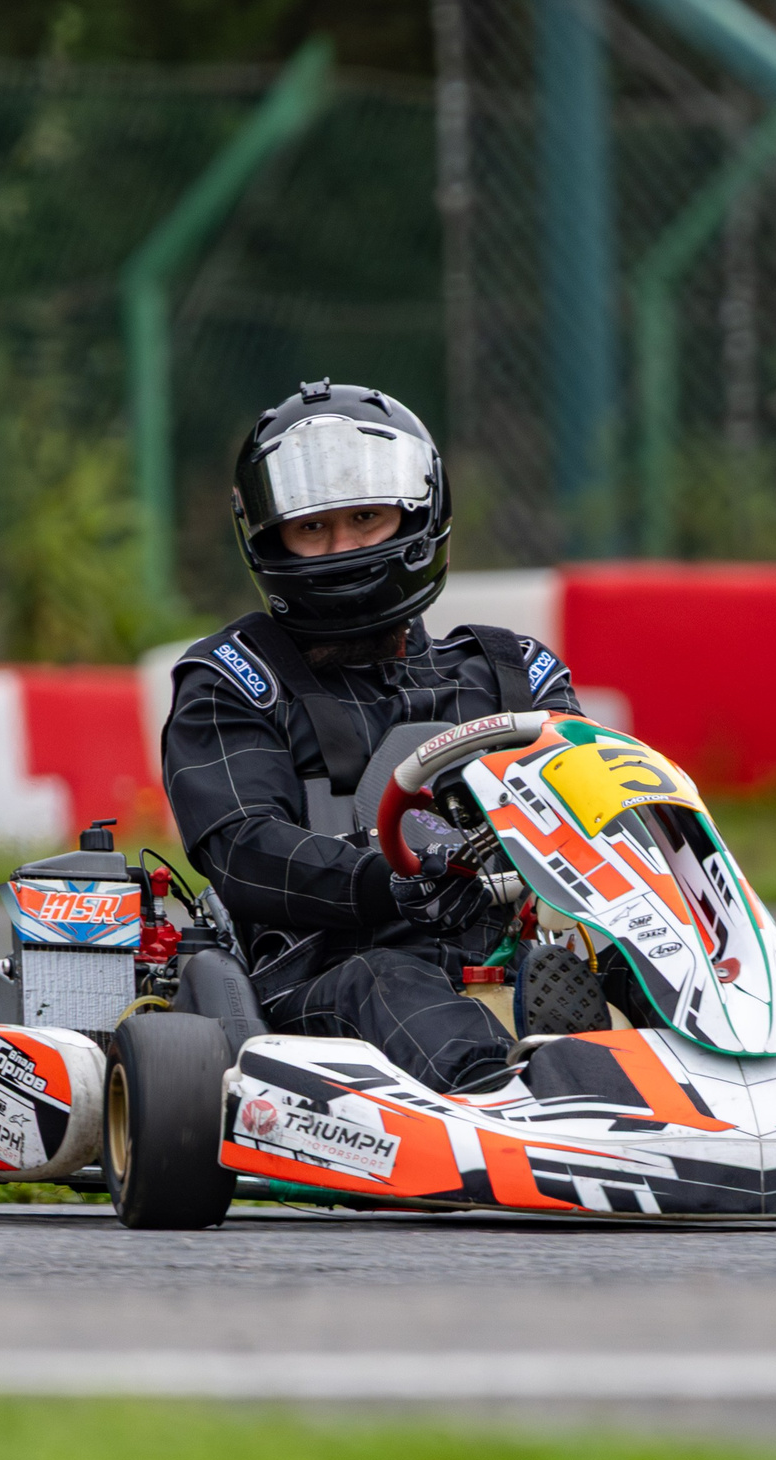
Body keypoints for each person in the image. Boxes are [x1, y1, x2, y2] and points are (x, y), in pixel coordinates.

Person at [160, 379, 580, 1093]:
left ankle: (770, 1074)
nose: (342, 549)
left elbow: (601, 814)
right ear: (271, 540)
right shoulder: (233, 678)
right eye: (313, 529)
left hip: (519, 962)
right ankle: (513, 1103)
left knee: (681, 967)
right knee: (388, 982)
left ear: (418, 518)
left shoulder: (513, 675)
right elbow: (243, 849)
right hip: (320, 977)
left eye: (364, 518)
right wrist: (388, 882)